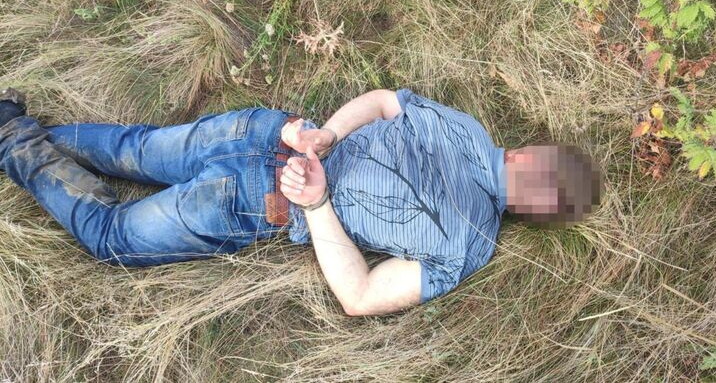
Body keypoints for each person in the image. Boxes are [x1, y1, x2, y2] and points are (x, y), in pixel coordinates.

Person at [0, 87, 601, 316]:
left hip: (270, 134)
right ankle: (10, 138)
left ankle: (11, 124)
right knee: (113, 236)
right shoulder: (469, 243)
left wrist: (324, 139)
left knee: (135, 148)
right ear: (537, 214)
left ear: (532, 157)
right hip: (258, 193)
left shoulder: (467, 130)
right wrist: (318, 193)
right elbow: (358, 296)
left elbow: (383, 100)